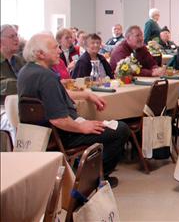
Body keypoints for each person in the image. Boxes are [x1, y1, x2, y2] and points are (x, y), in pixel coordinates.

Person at [17, 32, 130, 187]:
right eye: (55, 48)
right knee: (122, 129)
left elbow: (58, 94)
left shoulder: (27, 72)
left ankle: (86, 170)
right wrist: (82, 127)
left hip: (42, 133)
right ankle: (92, 178)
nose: (59, 51)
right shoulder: (47, 77)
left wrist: (86, 95)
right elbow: (58, 119)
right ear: (40, 54)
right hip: (63, 134)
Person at [1, 24, 26, 105]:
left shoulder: (20, 60)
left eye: (16, 35)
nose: (16, 39)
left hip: (23, 105)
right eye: (11, 36)